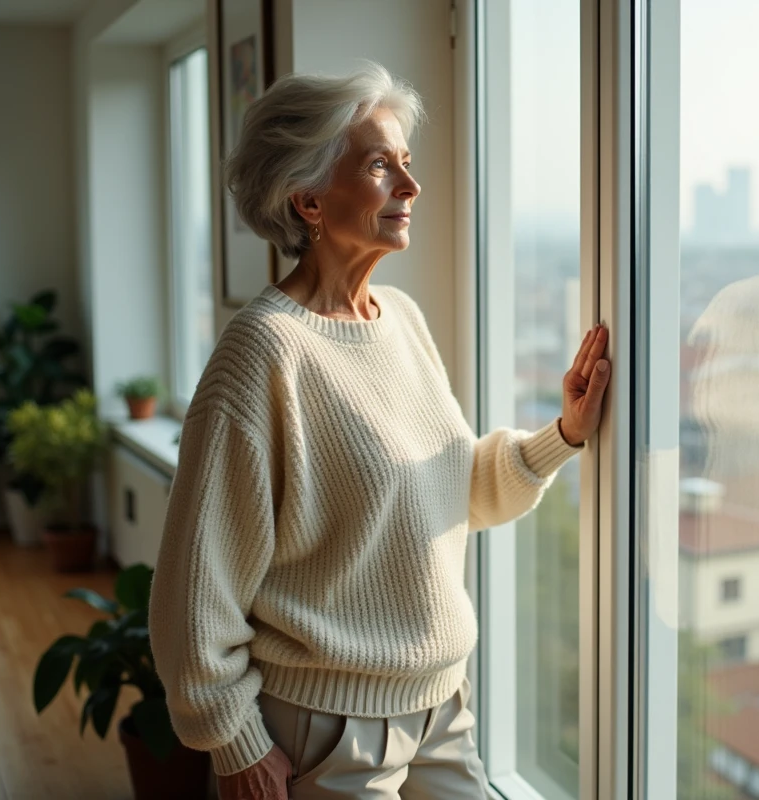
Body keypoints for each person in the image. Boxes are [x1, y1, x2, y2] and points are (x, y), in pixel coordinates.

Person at [148, 62, 612, 800]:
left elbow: (455, 489)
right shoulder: (262, 352)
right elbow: (193, 587)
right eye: (377, 164)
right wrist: (234, 741)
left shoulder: (400, 319)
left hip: (441, 709)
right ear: (307, 199)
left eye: (407, 162)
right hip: (324, 730)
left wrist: (564, 433)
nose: (410, 185)